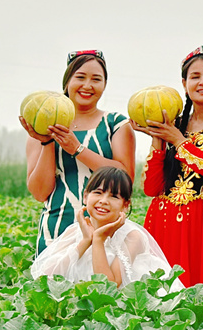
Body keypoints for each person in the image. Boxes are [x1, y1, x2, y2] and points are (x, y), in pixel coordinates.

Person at [133, 46, 203, 291]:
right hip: (163, 222)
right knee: (163, 300)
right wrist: (157, 139)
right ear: (184, 84)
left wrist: (177, 141)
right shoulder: (173, 124)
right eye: (195, 77)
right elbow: (151, 188)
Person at [20, 50, 136, 255]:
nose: (87, 85)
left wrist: (77, 149)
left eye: (96, 79)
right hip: (57, 228)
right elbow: (40, 193)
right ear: (67, 82)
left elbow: (125, 178)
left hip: (105, 227)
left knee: (102, 285)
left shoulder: (116, 124)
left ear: (104, 85)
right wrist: (47, 142)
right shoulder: (41, 127)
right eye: (80, 77)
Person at [30, 167, 183, 291]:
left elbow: (110, 286)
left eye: (114, 196)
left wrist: (98, 240)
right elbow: (46, 276)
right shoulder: (74, 231)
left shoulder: (132, 237)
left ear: (125, 205)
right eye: (98, 192)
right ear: (85, 196)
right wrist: (85, 241)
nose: (103, 201)